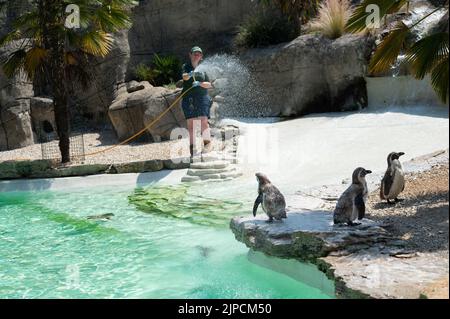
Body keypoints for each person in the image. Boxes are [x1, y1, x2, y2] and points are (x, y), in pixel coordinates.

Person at [181, 46, 213, 159]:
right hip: (188, 98)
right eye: (195, 53)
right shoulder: (186, 67)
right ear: (190, 54)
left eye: (199, 54)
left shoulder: (203, 68)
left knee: (204, 121)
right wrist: (190, 74)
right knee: (191, 124)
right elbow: (184, 77)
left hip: (202, 97)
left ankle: (207, 144)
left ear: (201, 56)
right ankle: (192, 147)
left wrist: (199, 84)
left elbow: (209, 84)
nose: (197, 55)